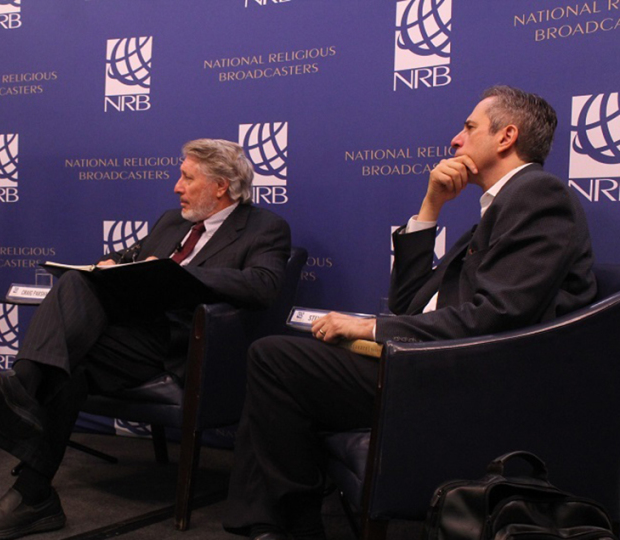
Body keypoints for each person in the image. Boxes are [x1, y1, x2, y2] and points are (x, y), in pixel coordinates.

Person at [223, 86, 597, 540]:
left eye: (469, 127)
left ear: (506, 136)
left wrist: (370, 327)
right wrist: (431, 205)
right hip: (434, 362)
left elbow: (499, 314)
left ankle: (282, 525)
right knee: (280, 360)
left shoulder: (537, 195)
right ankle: (278, 523)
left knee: (275, 359)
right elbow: (408, 302)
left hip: (469, 380)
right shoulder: (499, 207)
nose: (456, 139)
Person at [0, 138, 292, 539]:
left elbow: (263, 286)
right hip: (129, 330)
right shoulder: (171, 222)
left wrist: (176, 274)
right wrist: (110, 265)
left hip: (181, 343)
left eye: (187, 178)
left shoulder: (264, 227)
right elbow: (131, 257)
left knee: (70, 360)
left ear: (221, 185)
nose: (177, 187)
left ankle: (23, 405)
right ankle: (32, 489)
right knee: (76, 291)